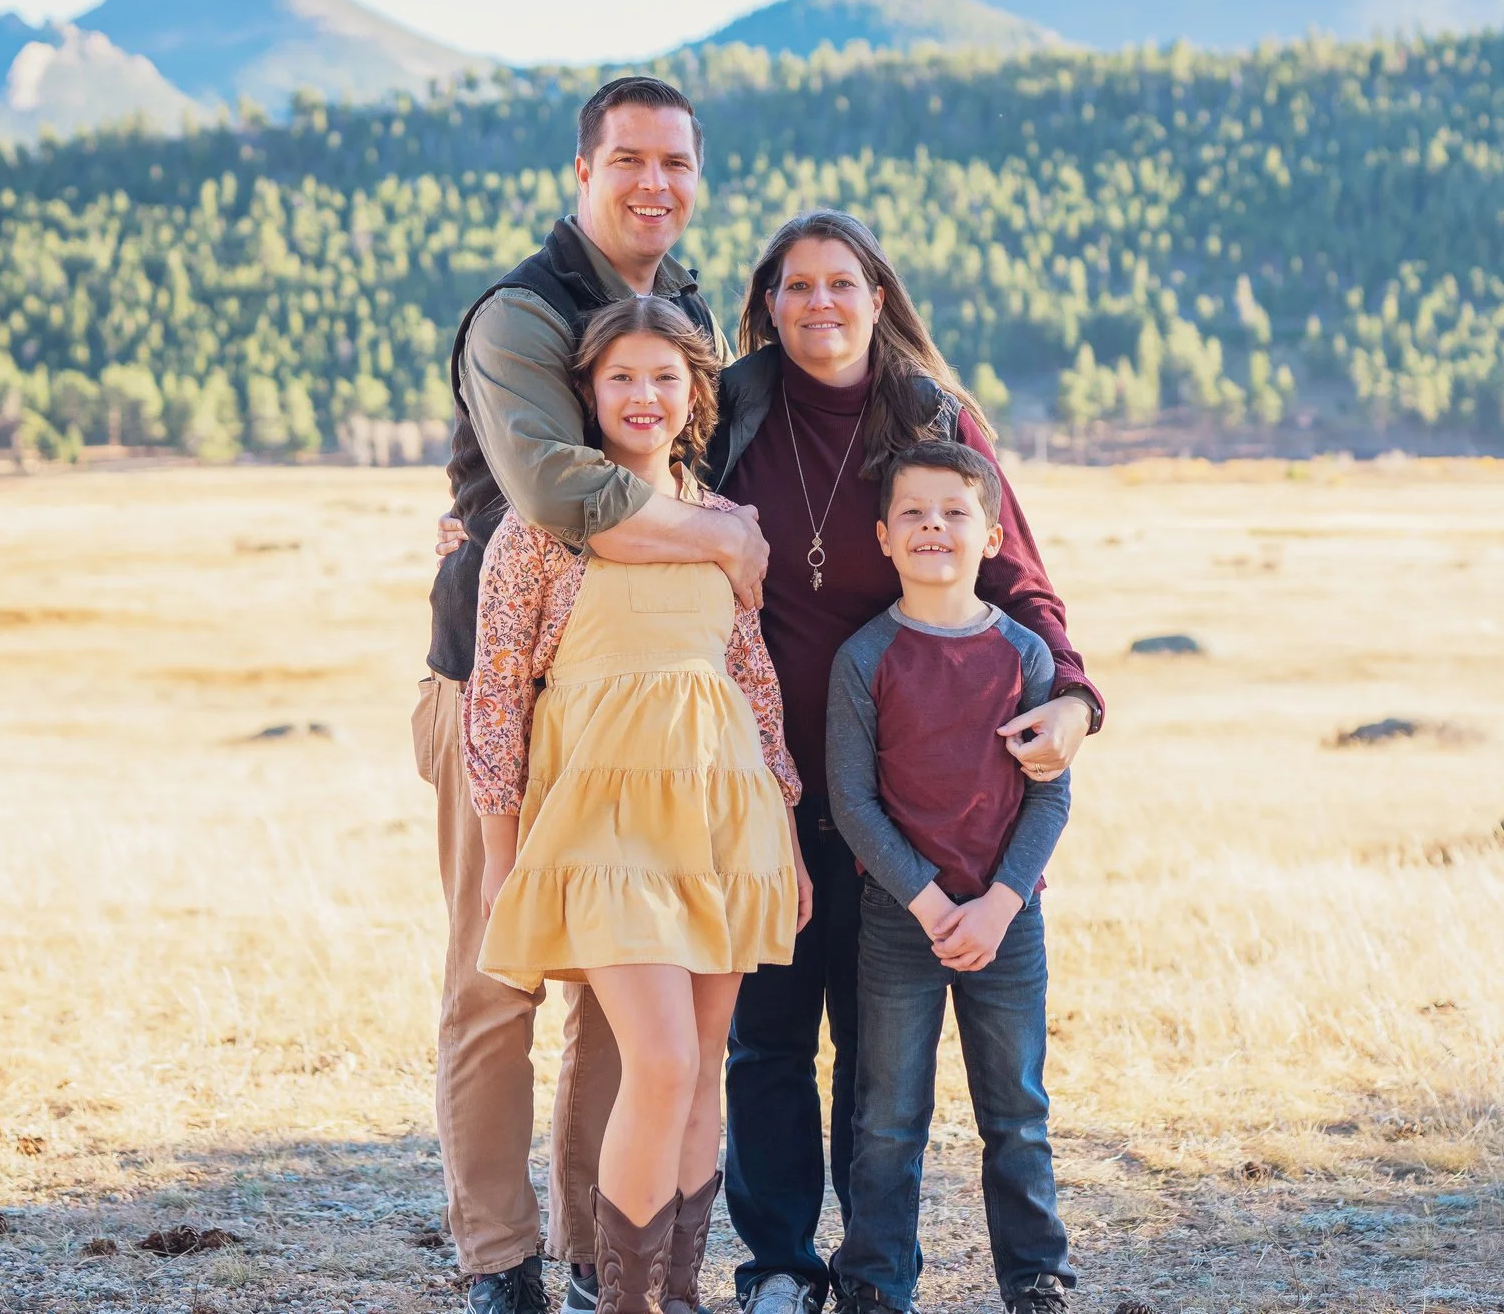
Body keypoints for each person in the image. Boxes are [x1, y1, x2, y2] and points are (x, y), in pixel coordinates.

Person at [702, 211, 1103, 1314]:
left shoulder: (933, 413)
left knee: (877, 1058)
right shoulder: (730, 409)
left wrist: (1072, 693)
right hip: (763, 784)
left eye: (842, 284)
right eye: (795, 287)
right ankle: (781, 1263)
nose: (818, 305)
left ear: (879, 296)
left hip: (908, 807)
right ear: (767, 303)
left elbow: (1016, 573)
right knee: (770, 1035)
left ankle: (872, 1264)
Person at [420, 75, 771, 1314]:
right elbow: (558, 493)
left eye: (676, 162)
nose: (654, 184)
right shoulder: (517, 316)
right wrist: (717, 539)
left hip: (658, 717)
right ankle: (497, 1262)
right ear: (584, 172)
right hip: (507, 691)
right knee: (500, 975)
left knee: (627, 1006)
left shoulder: (684, 309)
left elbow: (681, 465)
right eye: (628, 159)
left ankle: (594, 1254)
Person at [466, 296, 813, 1314]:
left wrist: (784, 839)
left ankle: (677, 1294)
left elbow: (754, 684)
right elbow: (495, 705)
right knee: (657, 1056)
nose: (643, 396)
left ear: (693, 393)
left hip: (724, 815)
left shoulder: (722, 528)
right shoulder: (540, 532)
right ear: (587, 391)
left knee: (703, 1062)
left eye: (664, 376)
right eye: (620, 376)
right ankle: (619, 1303)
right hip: (601, 822)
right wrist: (499, 856)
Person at [823, 441, 1074, 1314]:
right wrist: (931, 904)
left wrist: (999, 906)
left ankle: (1035, 1276)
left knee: (1016, 1112)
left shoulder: (1025, 657)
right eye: (915, 513)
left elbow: (1049, 802)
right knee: (888, 1118)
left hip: (1009, 922)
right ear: (884, 537)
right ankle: (875, 1282)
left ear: (993, 535)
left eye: (955, 512)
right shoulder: (864, 658)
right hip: (902, 921)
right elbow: (853, 802)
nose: (935, 526)